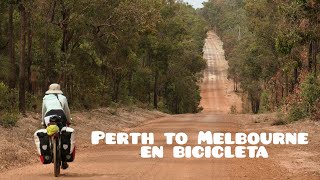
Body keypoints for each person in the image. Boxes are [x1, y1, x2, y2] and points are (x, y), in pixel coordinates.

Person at [42, 83, 71, 169]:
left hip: (48, 116)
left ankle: (50, 149)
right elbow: (67, 110)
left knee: (49, 131)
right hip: (60, 115)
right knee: (63, 133)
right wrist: (68, 120)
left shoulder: (45, 98)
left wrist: (43, 122)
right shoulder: (63, 98)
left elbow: (43, 111)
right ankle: (64, 160)